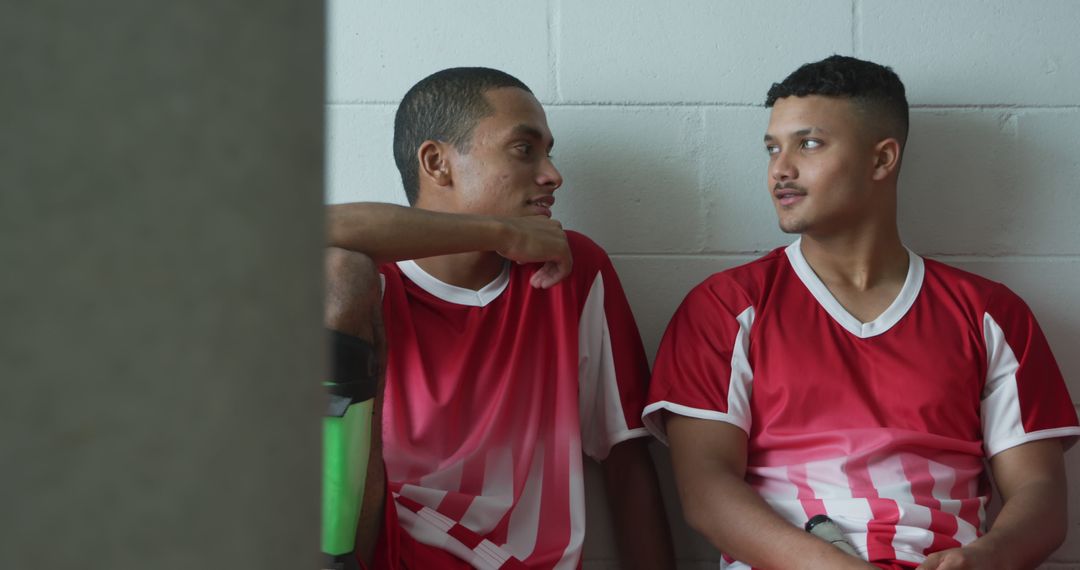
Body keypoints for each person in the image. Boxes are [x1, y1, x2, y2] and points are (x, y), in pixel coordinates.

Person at [643, 55, 1079, 570]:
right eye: (771, 148)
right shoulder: (724, 307)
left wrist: (985, 558)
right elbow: (706, 491)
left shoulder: (989, 312)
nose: (780, 168)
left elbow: (1040, 493)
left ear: (882, 159)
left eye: (808, 143)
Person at [325, 67, 675, 569]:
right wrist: (497, 232)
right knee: (340, 271)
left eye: (549, 152)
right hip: (379, 553)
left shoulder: (572, 269)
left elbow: (626, 462)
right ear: (437, 163)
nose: (553, 174)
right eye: (524, 149)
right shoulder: (374, 286)